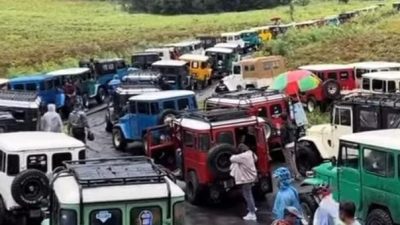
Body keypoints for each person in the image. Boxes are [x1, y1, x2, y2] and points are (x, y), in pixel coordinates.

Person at [230, 143, 258, 221]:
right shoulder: (251, 153)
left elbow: (232, 158)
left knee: (247, 195)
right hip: (252, 176)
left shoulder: (243, 156)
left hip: (246, 178)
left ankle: (252, 213)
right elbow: (256, 158)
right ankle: (252, 207)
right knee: (250, 194)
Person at [280, 113, 301, 180]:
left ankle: (296, 175)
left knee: (290, 161)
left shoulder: (282, 127)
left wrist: (282, 145)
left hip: (287, 145)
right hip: (293, 143)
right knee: (294, 160)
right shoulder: (291, 125)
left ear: (282, 119)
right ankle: (297, 173)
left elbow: (283, 137)